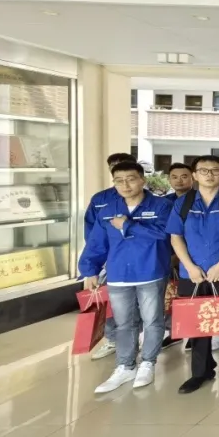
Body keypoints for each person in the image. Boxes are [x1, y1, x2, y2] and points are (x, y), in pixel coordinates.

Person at [78, 161, 173, 393]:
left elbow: (166, 234)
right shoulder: (107, 209)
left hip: (150, 271)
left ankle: (148, 363)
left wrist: (128, 226)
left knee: (152, 321)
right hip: (119, 274)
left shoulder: (161, 206)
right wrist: (89, 269)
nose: (125, 185)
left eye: (131, 179)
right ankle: (125, 366)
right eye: (119, 181)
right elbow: (97, 243)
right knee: (124, 324)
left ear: (142, 180)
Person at [167, 155, 219, 394]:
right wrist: (190, 267)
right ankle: (201, 372)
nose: (209, 174)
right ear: (195, 175)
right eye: (203, 170)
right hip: (192, 274)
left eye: (214, 170)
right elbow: (175, 237)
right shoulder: (183, 202)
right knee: (197, 324)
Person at [84, 152, 135, 361]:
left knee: (145, 305)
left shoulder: (149, 200)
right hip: (112, 262)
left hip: (143, 262)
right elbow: (92, 234)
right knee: (113, 305)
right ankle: (113, 340)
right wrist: (92, 266)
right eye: (115, 167)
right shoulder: (100, 199)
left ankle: (144, 341)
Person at [160, 162, 194, 349]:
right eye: (174, 177)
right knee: (171, 295)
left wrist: (180, 256)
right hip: (166, 255)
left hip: (192, 257)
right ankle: (174, 331)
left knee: (192, 295)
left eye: (184, 176)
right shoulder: (164, 203)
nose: (179, 181)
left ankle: (194, 334)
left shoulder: (200, 199)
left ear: (192, 178)